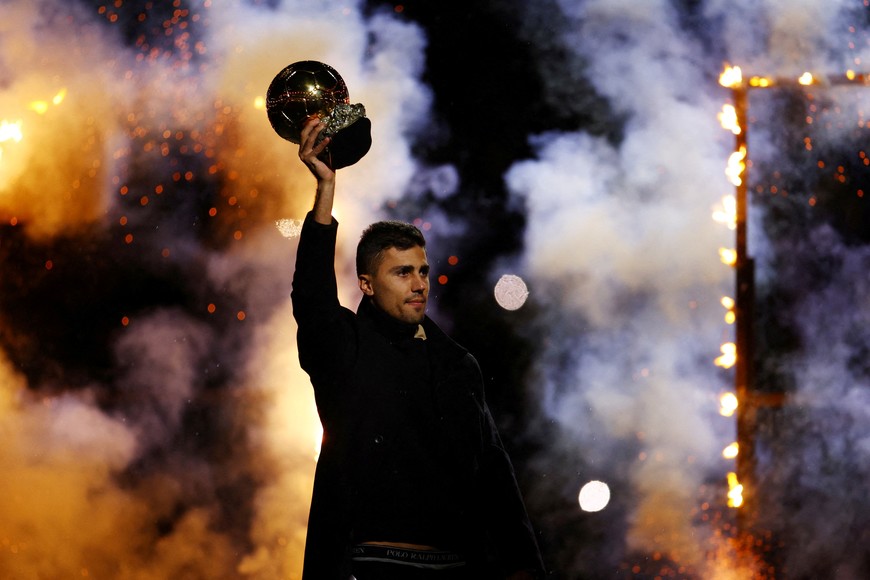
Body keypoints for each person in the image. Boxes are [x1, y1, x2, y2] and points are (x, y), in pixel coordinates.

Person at [291, 117, 545, 580]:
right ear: (366, 284)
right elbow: (311, 297)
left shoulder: (456, 364)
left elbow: (495, 473)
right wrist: (325, 191)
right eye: (402, 272)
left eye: (423, 271)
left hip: (460, 568)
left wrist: (525, 568)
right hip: (367, 567)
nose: (419, 284)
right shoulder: (345, 348)